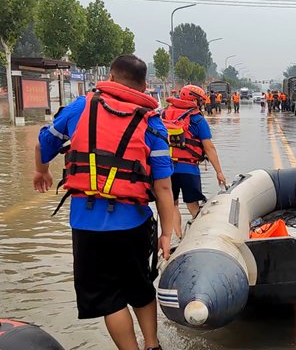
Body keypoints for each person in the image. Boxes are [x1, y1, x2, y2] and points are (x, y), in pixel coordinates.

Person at [33, 55, 173, 350]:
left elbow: (44, 143)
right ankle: (152, 345)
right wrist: (167, 234)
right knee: (140, 287)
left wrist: (41, 171)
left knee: (109, 298)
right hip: (134, 221)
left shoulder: (80, 107)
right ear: (145, 85)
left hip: (87, 223)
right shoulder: (152, 120)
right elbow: (162, 185)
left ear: (108, 78)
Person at [161, 85, 227, 239]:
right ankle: (196, 238)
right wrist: (218, 171)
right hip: (188, 168)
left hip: (166, 169)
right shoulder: (197, 119)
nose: (201, 104)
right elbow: (209, 148)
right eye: (200, 101)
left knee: (172, 205)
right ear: (194, 100)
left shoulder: (162, 114)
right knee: (193, 205)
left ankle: (178, 238)